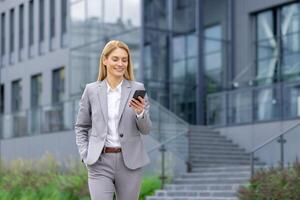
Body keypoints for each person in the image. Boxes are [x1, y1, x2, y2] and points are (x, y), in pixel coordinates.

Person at [75, 40, 152, 200]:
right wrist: (85, 154)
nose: (120, 64)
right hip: (99, 161)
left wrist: (140, 113)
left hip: (129, 162)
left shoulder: (137, 89)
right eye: (115, 59)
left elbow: (146, 129)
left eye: (124, 60)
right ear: (105, 60)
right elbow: (81, 126)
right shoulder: (91, 90)